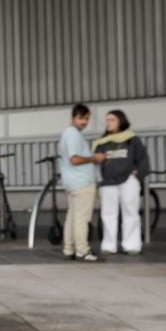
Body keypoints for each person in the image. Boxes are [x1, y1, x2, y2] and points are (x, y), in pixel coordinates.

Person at [95, 109, 151, 256]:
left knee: (130, 212)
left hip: (128, 181)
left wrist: (137, 173)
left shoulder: (132, 139)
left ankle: (131, 245)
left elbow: (143, 160)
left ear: (121, 121)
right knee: (107, 214)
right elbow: (96, 161)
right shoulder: (102, 141)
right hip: (108, 182)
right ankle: (109, 245)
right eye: (107, 120)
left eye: (112, 119)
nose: (108, 123)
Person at [58, 104, 101, 261]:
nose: (84, 122)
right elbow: (74, 159)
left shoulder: (68, 134)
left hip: (72, 182)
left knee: (72, 217)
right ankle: (83, 250)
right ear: (73, 118)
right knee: (82, 218)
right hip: (82, 182)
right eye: (81, 118)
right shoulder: (73, 134)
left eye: (87, 118)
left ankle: (69, 248)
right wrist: (94, 158)